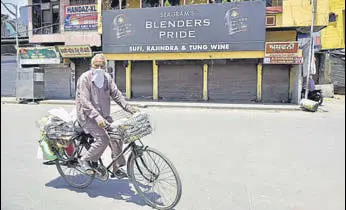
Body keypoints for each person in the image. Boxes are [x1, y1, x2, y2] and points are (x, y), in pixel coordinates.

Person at [75, 53, 137, 179]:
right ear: (91, 65)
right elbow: (84, 101)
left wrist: (129, 108)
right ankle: (85, 160)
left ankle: (116, 168)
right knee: (103, 138)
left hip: (104, 116)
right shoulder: (85, 78)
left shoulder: (107, 78)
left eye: (102, 65)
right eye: (96, 65)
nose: (99, 68)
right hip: (87, 117)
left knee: (117, 136)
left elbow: (116, 94)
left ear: (105, 67)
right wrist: (97, 117)